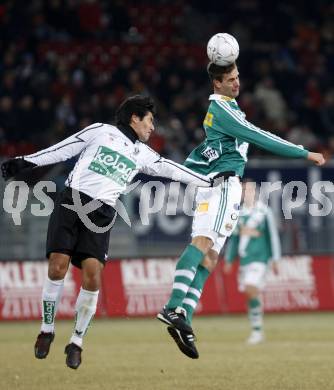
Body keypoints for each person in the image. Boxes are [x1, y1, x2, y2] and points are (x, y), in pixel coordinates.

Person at [1, 95, 222, 369]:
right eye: (150, 121)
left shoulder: (143, 154)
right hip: (72, 202)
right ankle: (47, 329)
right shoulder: (99, 131)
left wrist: (209, 181)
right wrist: (26, 161)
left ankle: (76, 341)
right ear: (135, 118)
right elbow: (63, 149)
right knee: (58, 267)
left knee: (93, 275)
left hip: (101, 213)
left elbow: (172, 170)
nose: (153, 128)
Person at [156, 61, 325, 359]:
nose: (236, 83)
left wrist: (189, 173)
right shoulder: (223, 111)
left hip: (219, 187)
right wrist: (304, 153)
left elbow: (202, 154)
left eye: (237, 77)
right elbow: (261, 136)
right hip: (222, 186)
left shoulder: (222, 113)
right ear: (217, 84)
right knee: (203, 244)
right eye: (230, 79)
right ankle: (172, 307)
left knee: (209, 258)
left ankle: (184, 318)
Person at [224, 180, 281, 344]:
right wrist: (229, 259)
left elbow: (273, 235)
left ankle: (257, 332)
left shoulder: (264, 211)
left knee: (250, 287)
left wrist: (276, 258)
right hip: (245, 260)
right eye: (243, 190)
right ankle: (257, 329)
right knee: (250, 294)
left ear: (255, 191)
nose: (246, 193)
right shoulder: (239, 213)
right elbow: (234, 239)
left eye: (249, 189)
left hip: (260, 258)